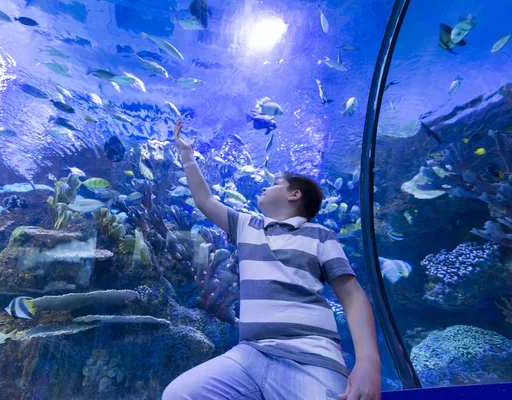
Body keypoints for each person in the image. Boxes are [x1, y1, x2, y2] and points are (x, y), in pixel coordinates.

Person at [163, 121, 381, 400]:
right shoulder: (247, 226)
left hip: (311, 356)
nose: (265, 187)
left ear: (294, 195)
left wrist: (367, 363)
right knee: (180, 394)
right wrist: (186, 155)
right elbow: (204, 200)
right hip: (249, 354)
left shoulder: (320, 235)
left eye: (275, 183)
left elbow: (352, 296)